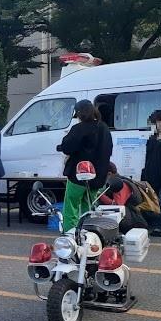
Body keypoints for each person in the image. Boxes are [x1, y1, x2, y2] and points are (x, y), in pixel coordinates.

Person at [57, 99, 113, 231]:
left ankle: (70, 234)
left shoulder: (78, 128)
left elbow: (67, 147)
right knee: (88, 206)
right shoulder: (104, 128)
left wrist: (63, 142)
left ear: (80, 114)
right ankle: (87, 233)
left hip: (78, 176)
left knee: (71, 206)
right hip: (98, 177)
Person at [99, 162, 148, 233]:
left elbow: (117, 206)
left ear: (109, 174)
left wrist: (100, 196)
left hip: (132, 221)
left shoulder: (120, 185)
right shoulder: (112, 183)